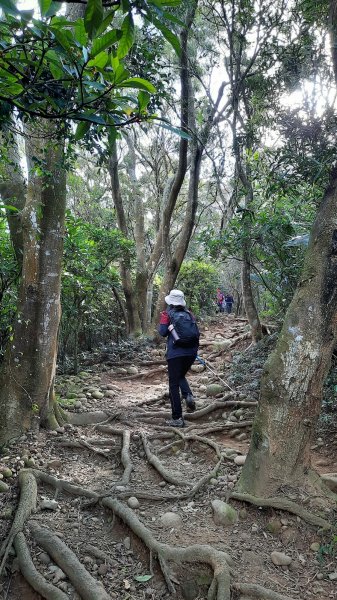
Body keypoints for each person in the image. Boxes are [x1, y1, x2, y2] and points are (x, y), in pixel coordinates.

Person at [158, 289, 199, 427]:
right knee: (180, 376)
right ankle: (188, 395)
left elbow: (162, 333)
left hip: (175, 354)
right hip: (191, 353)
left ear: (171, 302)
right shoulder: (189, 314)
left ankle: (177, 418)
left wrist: (163, 319)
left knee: (173, 385)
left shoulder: (168, 314)